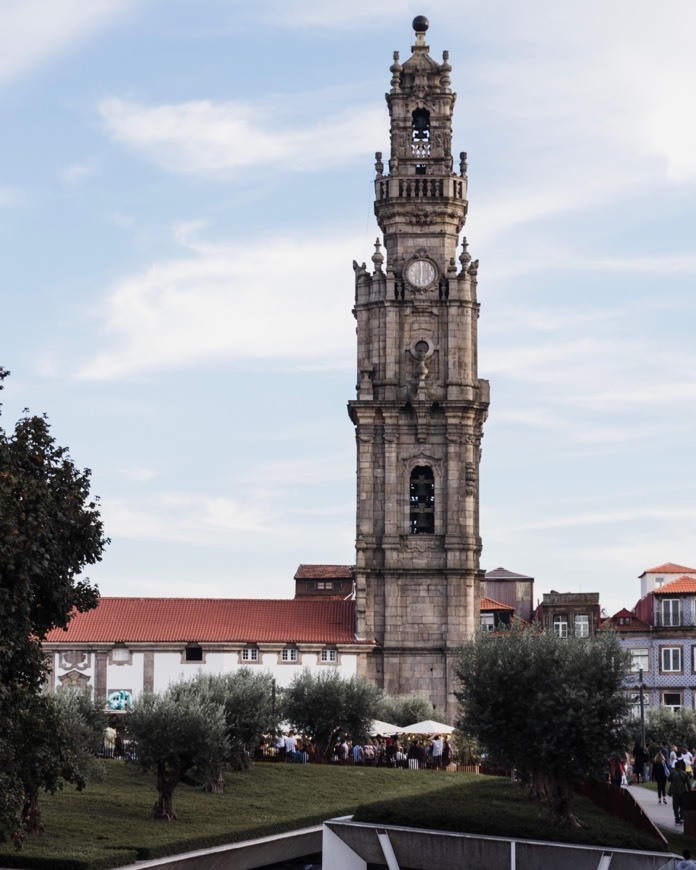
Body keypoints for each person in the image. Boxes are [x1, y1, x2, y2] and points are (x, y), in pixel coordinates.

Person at [669, 759, 692, 824]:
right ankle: (682, 817)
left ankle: (677, 818)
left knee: (675, 806)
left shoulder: (673, 772)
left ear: (675, 766)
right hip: (683, 791)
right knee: (682, 805)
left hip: (675, 791)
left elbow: (669, 779)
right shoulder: (684, 773)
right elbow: (688, 783)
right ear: (681, 766)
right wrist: (689, 791)